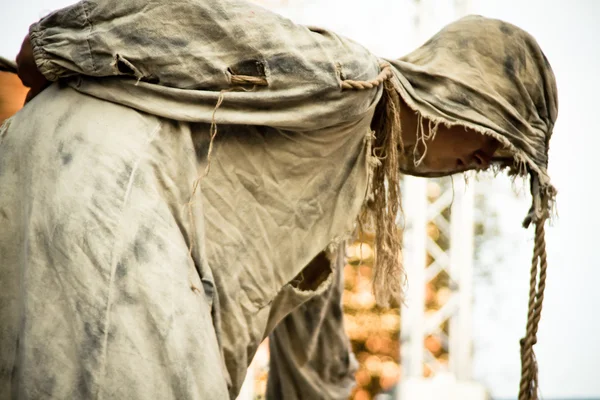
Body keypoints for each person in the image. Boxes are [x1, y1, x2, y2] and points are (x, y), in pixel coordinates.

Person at [0, 0, 557, 398]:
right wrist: (61, 45)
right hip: (103, 188)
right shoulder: (351, 81)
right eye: (497, 141)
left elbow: (312, 359)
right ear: (465, 95)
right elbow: (198, 25)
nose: (487, 161)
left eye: (505, 164)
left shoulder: (346, 181)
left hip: (71, 190)